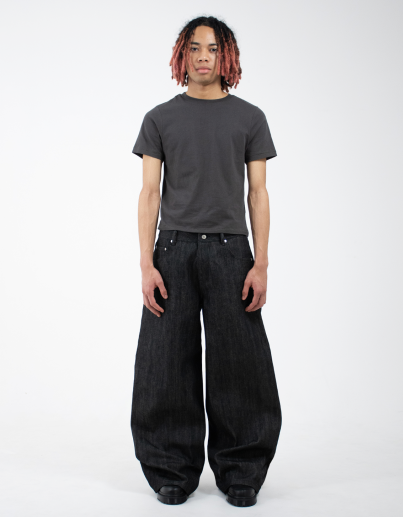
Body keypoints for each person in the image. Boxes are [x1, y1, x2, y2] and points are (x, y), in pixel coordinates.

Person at [130, 15, 282, 508]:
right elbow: (149, 193)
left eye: (213, 48)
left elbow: (258, 193)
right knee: (164, 362)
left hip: (230, 251)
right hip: (172, 251)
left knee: (240, 362)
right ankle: (171, 469)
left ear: (226, 56)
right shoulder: (159, 118)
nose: (202, 56)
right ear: (182, 55)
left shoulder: (250, 118)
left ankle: (241, 470)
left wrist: (261, 263)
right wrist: (146, 262)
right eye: (194, 47)